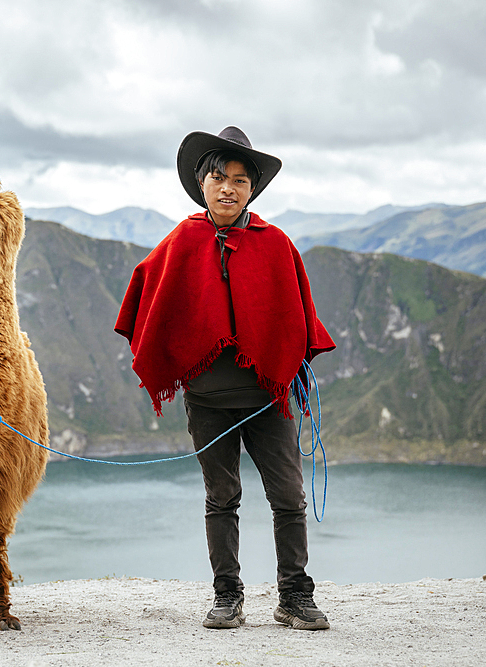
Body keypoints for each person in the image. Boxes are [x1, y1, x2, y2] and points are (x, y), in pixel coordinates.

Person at [114, 127, 336, 630]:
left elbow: (297, 319)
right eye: (219, 177)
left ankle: (295, 595)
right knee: (222, 497)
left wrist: (284, 365)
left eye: (240, 180)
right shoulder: (181, 243)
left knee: (288, 497)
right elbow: (145, 306)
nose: (229, 188)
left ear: (252, 189)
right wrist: (173, 358)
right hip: (208, 401)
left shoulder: (275, 244)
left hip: (266, 399)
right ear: (202, 183)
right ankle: (226, 596)